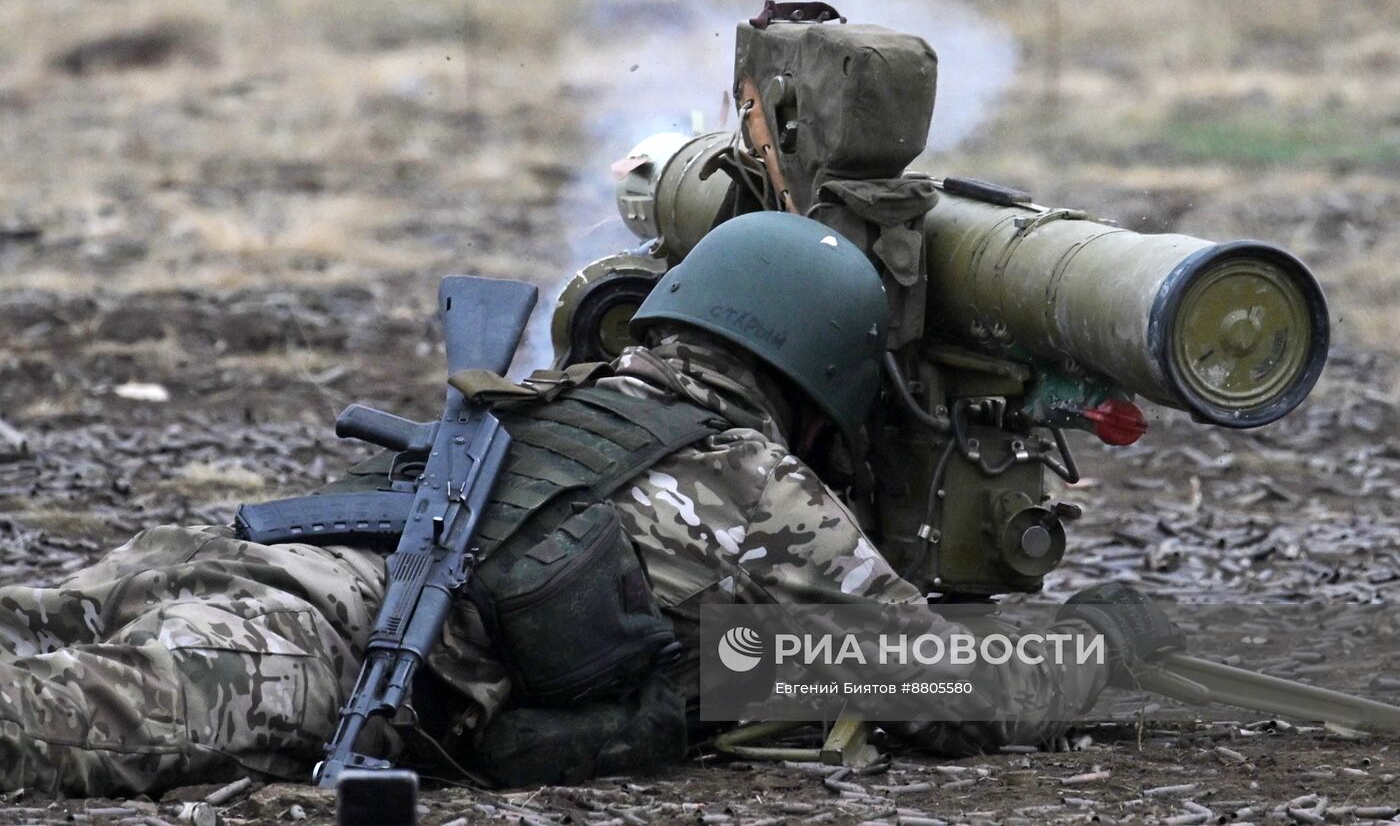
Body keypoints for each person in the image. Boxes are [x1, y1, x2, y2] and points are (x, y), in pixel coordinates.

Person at [0, 212, 1176, 796]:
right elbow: (952, 697)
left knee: (37, 634)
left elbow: (767, 663)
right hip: (306, 641)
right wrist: (1099, 645)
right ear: (818, 377)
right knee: (45, 732)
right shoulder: (755, 486)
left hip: (218, 555)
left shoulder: (562, 395)